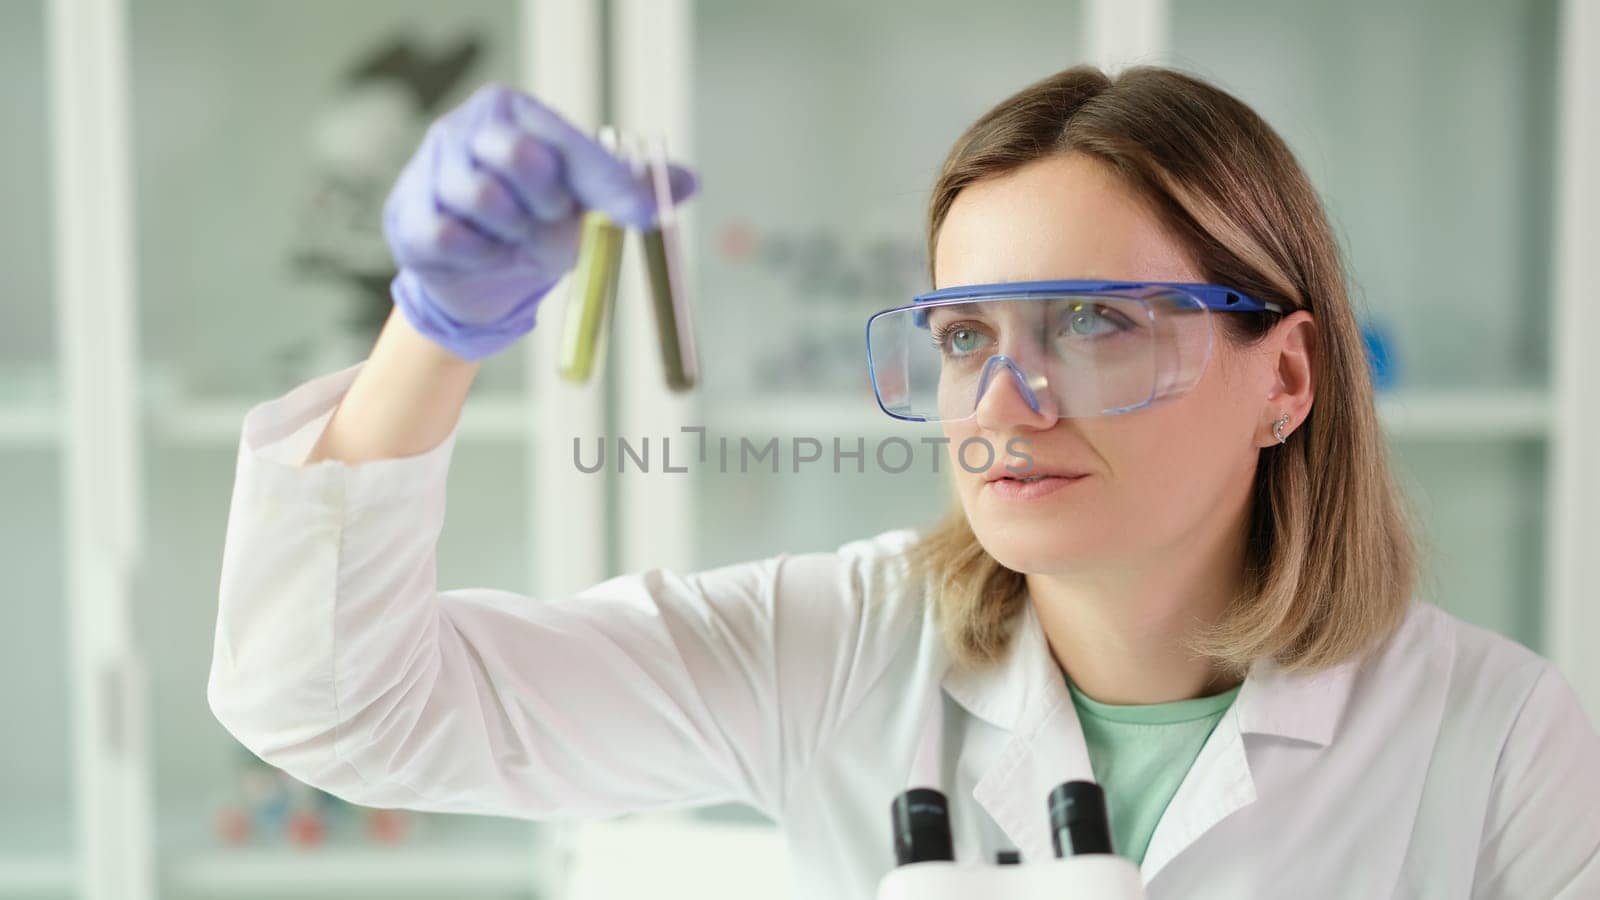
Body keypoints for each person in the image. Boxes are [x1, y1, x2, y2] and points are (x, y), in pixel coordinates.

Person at [207, 67, 1600, 898]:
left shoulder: (1492, 741)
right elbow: (340, 709)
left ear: (1287, 380)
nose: (1005, 398)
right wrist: (436, 336)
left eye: (1098, 321)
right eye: (961, 336)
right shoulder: (836, 650)